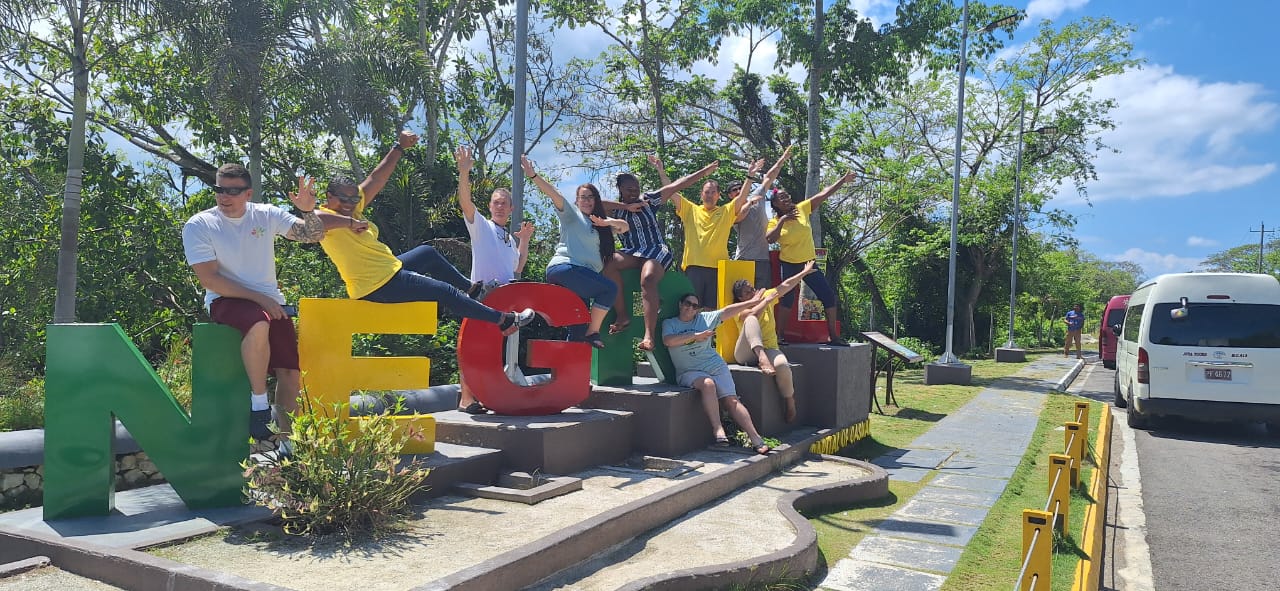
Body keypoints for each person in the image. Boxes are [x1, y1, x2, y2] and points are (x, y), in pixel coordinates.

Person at [314, 131, 536, 340]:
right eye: (344, 200)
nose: (350, 205)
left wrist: (399, 147)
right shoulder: (322, 218)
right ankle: (505, 320)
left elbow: (376, 179)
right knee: (444, 291)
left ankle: (474, 289)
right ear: (329, 197)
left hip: (388, 268)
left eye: (354, 200)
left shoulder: (352, 207)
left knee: (427, 254)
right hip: (377, 284)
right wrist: (350, 222)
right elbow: (313, 222)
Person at [182, 163, 325, 443]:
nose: (224, 196)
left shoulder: (266, 214)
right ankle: (259, 406)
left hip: (270, 302)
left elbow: (313, 236)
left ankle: (289, 445)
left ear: (248, 193)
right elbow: (209, 279)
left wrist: (308, 212)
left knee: (290, 372)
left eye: (233, 191)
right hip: (225, 299)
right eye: (219, 189)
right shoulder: (199, 225)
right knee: (259, 321)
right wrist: (261, 299)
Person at [602, 157, 719, 351]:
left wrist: (704, 171)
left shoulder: (648, 200)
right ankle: (622, 316)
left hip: (655, 250)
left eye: (636, 189)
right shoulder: (615, 211)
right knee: (609, 262)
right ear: (620, 190)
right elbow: (590, 203)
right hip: (632, 252)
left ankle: (649, 336)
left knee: (648, 278)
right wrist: (624, 207)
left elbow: (678, 185)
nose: (634, 192)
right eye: (629, 189)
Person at [455, 145, 535, 414]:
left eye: (504, 203)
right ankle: (466, 399)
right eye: (495, 202)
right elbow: (465, 203)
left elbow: (518, 266)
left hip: (503, 302)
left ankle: (485, 396)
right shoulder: (481, 226)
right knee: (471, 347)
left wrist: (524, 240)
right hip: (480, 297)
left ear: (511, 209)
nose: (500, 206)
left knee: (491, 351)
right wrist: (464, 172)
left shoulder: (508, 239)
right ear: (489, 206)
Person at [521, 155, 630, 349]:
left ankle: (571, 362)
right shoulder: (572, 214)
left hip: (582, 279)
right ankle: (593, 331)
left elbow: (625, 227)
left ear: (596, 200)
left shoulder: (599, 224)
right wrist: (533, 176)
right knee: (609, 289)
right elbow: (553, 193)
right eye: (583, 197)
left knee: (578, 327)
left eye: (591, 197)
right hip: (566, 269)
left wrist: (607, 222)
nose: (587, 201)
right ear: (577, 201)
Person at [663, 290, 774, 455]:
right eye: (687, 304)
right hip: (689, 371)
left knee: (732, 400)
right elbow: (668, 341)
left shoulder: (704, 319)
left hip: (715, 365)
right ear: (680, 304)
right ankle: (718, 430)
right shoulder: (670, 323)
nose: (690, 308)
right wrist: (695, 336)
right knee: (708, 384)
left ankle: (756, 439)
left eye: (695, 306)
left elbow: (727, 311)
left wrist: (751, 303)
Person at [766, 171, 858, 346]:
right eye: (782, 198)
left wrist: (843, 180)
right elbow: (770, 239)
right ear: (775, 204)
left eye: (787, 196)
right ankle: (779, 336)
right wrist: (783, 220)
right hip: (789, 264)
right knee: (787, 300)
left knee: (828, 296)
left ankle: (834, 337)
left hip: (809, 263)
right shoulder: (774, 222)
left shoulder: (802, 209)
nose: (786, 199)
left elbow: (824, 194)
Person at [730, 261, 817, 424]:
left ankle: (790, 401)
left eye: (752, 289)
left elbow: (786, 285)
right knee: (750, 320)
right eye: (748, 292)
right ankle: (762, 358)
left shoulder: (767, 296)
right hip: (745, 353)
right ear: (741, 298)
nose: (753, 292)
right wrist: (764, 301)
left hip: (769, 348)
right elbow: (753, 314)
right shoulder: (738, 308)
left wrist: (804, 272)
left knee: (783, 365)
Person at [670, 156, 758, 309]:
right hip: (694, 267)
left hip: (717, 268)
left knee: (712, 310)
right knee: (691, 308)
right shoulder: (690, 210)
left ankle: (709, 334)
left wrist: (750, 176)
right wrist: (661, 171)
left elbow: (742, 197)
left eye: (712, 192)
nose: (709, 195)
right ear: (701, 194)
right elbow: (670, 192)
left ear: (718, 195)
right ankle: (690, 333)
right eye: (706, 192)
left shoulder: (726, 212)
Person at [734, 146, 796, 288]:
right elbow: (740, 215)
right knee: (742, 297)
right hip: (744, 259)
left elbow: (769, 177)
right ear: (730, 196)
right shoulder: (731, 210)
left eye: (739, 188)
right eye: (733, 191)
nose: (737, 191)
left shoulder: (757, 195)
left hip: (763, 259)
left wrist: (783, 159)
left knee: (763, 296)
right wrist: (750, 202)